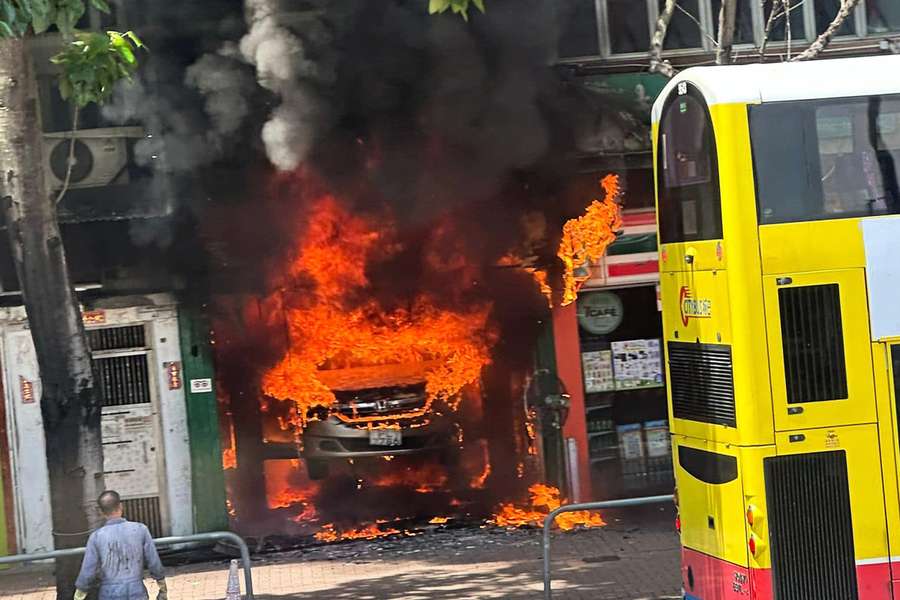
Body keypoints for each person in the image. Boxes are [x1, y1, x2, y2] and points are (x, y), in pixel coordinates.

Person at [74, 490, 168, 600]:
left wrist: (78, 596)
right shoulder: (140, 529)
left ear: (101, 512)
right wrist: (162, 589)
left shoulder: (96, 537)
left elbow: (88, 571)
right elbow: (154, 562)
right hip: (136, 590)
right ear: (121, 506)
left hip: (109, 593)